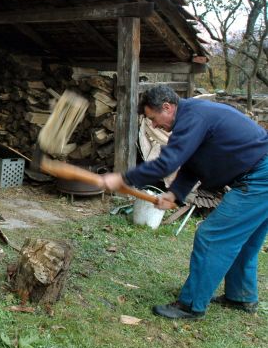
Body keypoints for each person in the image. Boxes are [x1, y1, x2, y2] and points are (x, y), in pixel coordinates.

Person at [101, 84, 268, 320]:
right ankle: (240, 296)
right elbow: (192, 164)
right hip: (262, 174)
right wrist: (175, 194)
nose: (154, 125)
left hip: (261, 177)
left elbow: (166, 164)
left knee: (212, 236)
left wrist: (122, 178)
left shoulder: (193, 117)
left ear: (167, 107)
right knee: (246, 240)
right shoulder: (193, 117)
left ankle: (190, 305)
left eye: (154, 118)